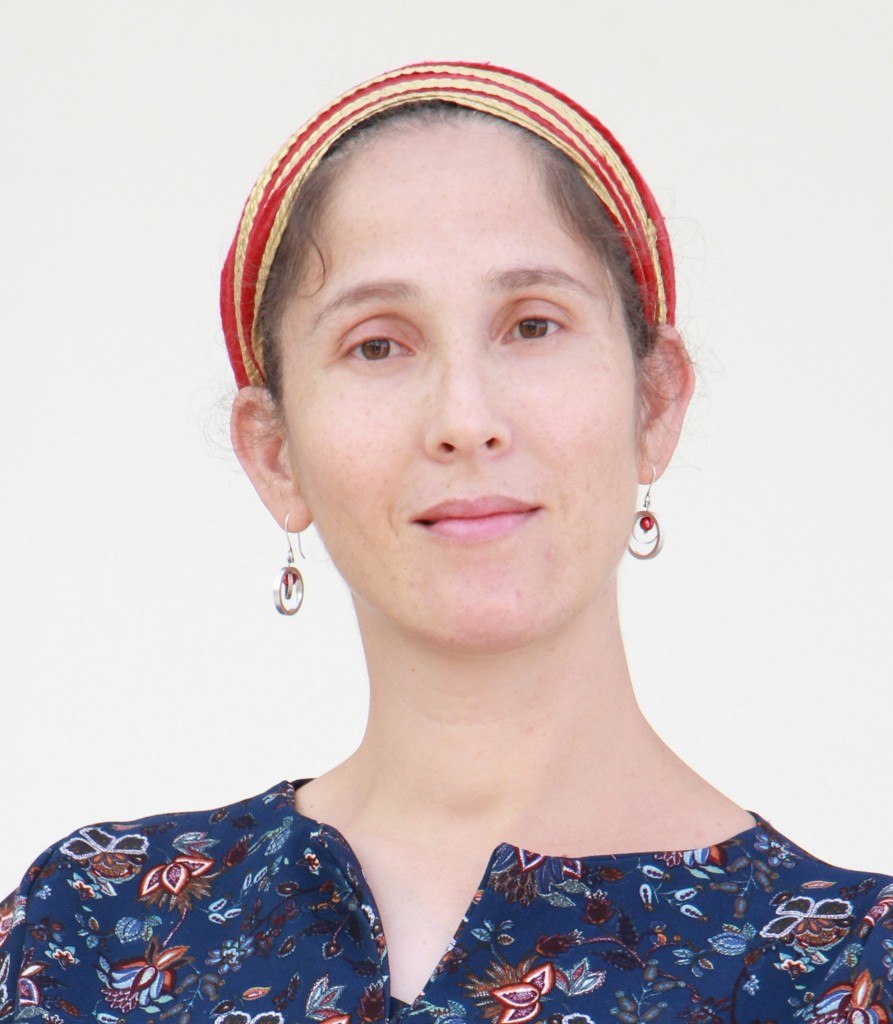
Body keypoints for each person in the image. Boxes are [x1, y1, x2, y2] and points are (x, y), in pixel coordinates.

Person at [1, 61, 891, 1024]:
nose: (465, 421)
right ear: (275, 455)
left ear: (655, 403)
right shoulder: (95, 929)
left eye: (532, 325)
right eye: (378, 344)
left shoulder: (849, 969)